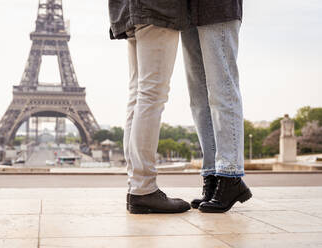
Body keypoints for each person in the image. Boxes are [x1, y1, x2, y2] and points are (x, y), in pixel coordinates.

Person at [108, 1, 191, 214]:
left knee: (138, 94)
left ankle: (137, 185)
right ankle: (143, 188)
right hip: (158, 7)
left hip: (128, 10)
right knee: (152, 95)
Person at [181, 0, 252, 213]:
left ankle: (230, 175)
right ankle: (212, 174)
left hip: (217, 7)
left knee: (223, 90)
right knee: (199, 99)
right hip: (186, 12)